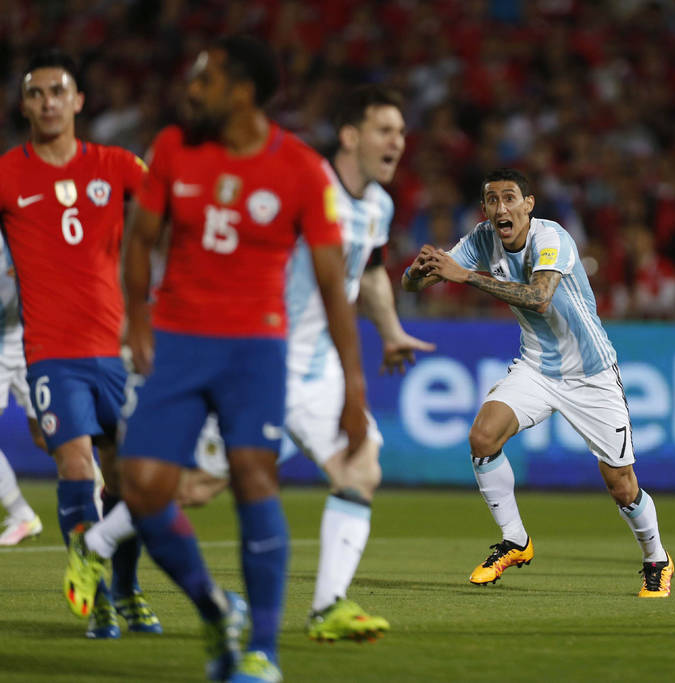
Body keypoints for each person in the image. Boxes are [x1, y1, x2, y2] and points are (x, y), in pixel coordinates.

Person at [64, 36, 369, 683]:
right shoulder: (174, 148)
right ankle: (213, 606)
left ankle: (263, 650)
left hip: (255, 349)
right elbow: (140, 240)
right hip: (176, 341)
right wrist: (140, 316)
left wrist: (355, 385)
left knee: (255, 479)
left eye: (205, 78)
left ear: (242, 91)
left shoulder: (302, 171)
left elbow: (335, 287)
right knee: (144, 488)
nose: (191, 88)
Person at [176, 84, 434, 641]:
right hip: (258, 360)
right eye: (386, 130)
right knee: (191, 489)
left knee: (361, 466)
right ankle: (98, 544)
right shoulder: (303, 183)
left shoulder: (380, 206)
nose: (399, 142)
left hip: (316, 371)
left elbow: (366, 271)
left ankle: (328, 608)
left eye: (402, 133)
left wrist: (390, 332)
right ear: (351, 136)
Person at [402, 168, 673, 598]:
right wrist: (418, 273)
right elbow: (415, 283)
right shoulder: (481, 239)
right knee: (483, 437)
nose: (500, 208)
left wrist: (467, 277)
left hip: (591, 374)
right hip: (537, 368)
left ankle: (656, 559)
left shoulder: (552, 239)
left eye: (510, 198)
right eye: (491, 200)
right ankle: (515, 541)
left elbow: (539, 297)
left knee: (621, 483)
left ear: (529, 205)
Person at [0, 49, 160, 637]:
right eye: (36, 93)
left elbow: (167, 212)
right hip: (50, 353)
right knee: (76, 463)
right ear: (23, 105)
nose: (47, 102)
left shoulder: (116, 164)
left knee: (126, 479)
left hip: (113, 351)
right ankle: (93, 596)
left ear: (78, 102)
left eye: (57, 91)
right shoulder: (7, 174)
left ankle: (127, 591)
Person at [0, 233, 45, 546]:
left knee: (51, 435)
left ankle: (100, 499)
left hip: (25, 341)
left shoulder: (17, 232)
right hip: (14, 342)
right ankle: (20, 514)